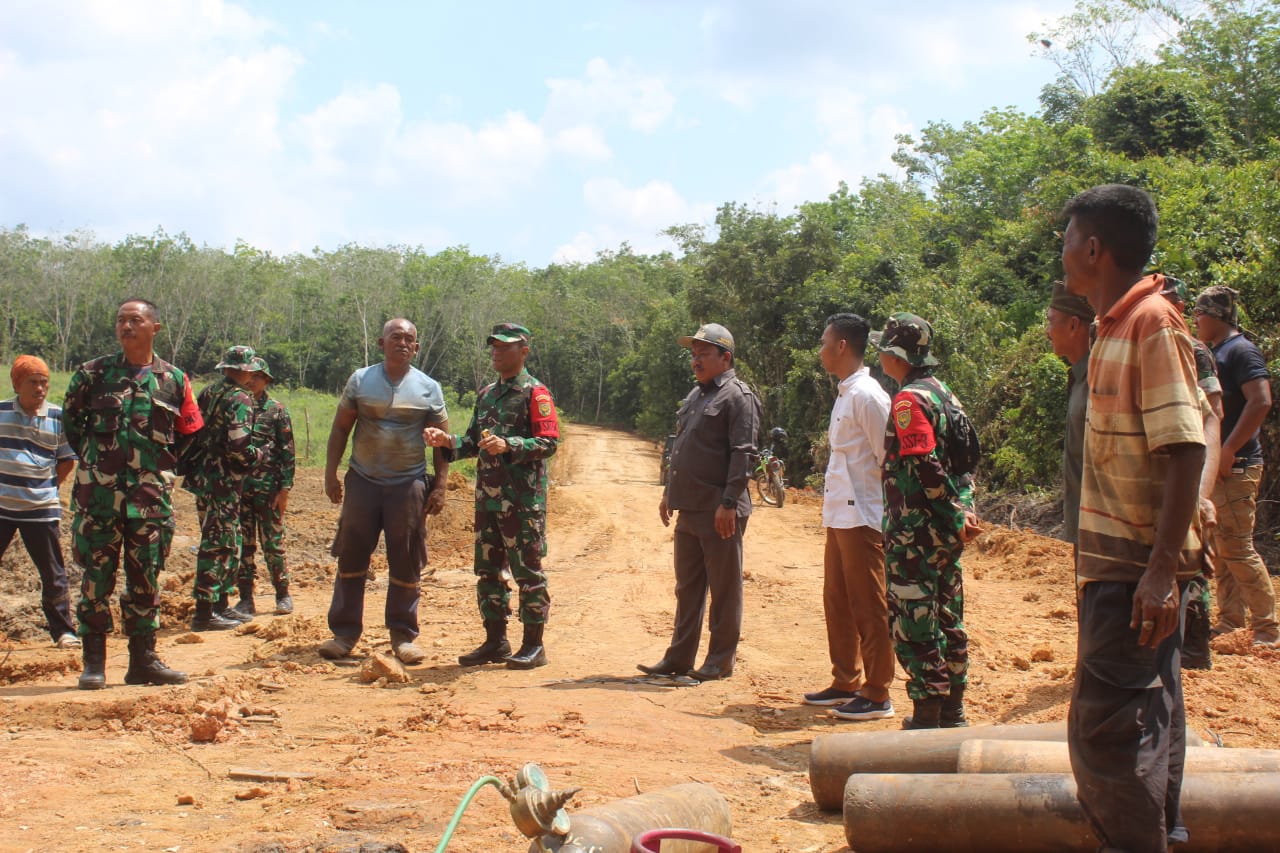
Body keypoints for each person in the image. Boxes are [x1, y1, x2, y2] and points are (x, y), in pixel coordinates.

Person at [1062, 184, 1207, 852]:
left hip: (1131, 574)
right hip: (1122, 570)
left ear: (1094, 248)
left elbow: (1184, 446)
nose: (1062, 253)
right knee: (1148, 723)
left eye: (1068, 240)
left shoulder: (1151, 322)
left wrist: (1156, 575)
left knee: (1111, 737)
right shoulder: (1113, 324)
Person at [64, 298, 203, 689]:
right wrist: (98, 468)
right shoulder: (91, 375)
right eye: (121, 320)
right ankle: (94, 664)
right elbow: (73, 427)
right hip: (99, 501)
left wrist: (162, 471)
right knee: (96, 580)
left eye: (135, 320)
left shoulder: (174, 380)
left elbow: (190, 434)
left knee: (146, 581)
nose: (126, 326)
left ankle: (143, 661)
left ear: (154, 328)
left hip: (150, 502)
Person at [424, 323, 560, 670]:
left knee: (528, 572)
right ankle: (495, 641)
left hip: (522, 503)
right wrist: (446, 442)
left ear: (524, 350)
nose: (497, 353)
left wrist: (510, 444)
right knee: (487, 573)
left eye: (505, 347)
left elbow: (548, 443)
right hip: (488, 500)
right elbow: (471, 442)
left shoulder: (535, 394)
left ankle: (533, 645)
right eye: (494, 347)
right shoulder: (486, 394)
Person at [320, 318, 450, 664]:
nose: (403, 342)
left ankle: (403, 636)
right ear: (382, 342)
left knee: (406, 558)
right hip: (363, 480)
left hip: (407, 485)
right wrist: (331, 473)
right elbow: (340, 428)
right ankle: (344, 633)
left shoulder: (428, 388)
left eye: (409, 339)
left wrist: (440, 485)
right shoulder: (361, 380)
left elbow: (442, 443)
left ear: (417, 348)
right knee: (352, 554)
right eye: (396, 337)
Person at [638, 323, 761, 683]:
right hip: (690, 509)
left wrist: (729, 501)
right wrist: (668, 494)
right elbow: (680, 449)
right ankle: (678, 658)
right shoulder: (696, 396)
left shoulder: (738, 397)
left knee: (724, 589)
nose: (696, 360)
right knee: (687, 588)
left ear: (725, 357)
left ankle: (719, 661)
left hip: (719, 510)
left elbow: (744, 453)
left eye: (703, 353)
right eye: (693, 354)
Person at [874, 313, 977, 729]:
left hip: (916, 532)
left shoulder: (908, 401)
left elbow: (925, 465)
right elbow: (966, 462)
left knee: (915, 621)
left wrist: (951, 513)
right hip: (945, 532)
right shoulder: (945, 395)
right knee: (949, 616)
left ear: (893, 354)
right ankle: (953, 711)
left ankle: (927, 717)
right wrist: (965, 510)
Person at [803, 314, 895, 721]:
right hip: (839, 514)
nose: (820, 349)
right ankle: (846, 679)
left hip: (862, 517)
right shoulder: (845, 393)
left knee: (868, 603)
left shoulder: (869, 396)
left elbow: (887, 460)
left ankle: (878, 691)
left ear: (842, 346)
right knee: (837, 600)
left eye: (825, 342)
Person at [1193, 284, 1278, 648]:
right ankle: (1230, 620)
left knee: (1239, 547)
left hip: (1239, 464)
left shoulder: (1241, 351)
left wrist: (1227, 450)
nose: (1195, 321)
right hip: (1225, 463)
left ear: (1215, 317)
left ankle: (1267, 628)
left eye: (1199, 314)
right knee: (1223, 547)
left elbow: (1260, 402)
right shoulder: (1219, 352)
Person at [1161, 277, 1223, 670]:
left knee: (1193, 559)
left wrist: (1202, 491)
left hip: (1192, 464)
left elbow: (1212, 414)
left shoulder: (1194, 350)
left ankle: (1196, 650)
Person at [1, 356, 79, 647]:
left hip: (41, 509)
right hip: (2, 507)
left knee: (53, 572)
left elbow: (66, 461)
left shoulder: (58, 417)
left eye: (44, 382)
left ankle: (63, 631)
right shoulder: (1, 413)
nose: (40, 388)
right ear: (16, 383)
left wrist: (44, 489)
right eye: (33, 382)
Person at [185, 346, 265, 631]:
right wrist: (259, 455)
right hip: (224, 480)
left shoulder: (208, 392)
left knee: (220, 538)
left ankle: (220, 605)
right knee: (219, 543)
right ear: (245, 370)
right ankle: (205, 612)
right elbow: (239, 446)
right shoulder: (240, 398)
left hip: (205, 475)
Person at [231, 357, 296, 617]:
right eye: (248, 376)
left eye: (257, 376)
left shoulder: (276, 410)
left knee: (273, 544)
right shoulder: (235, 406)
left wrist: (285, 490)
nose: (251, 380)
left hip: (268, 491)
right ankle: (246, 598)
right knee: (243, 546)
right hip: (240, 490)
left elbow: (287, 453)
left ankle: (282, 594)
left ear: (266, 380)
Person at [1044, 281, 1094, 545]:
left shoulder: (1098, 381)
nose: (1047, 332)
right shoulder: (1079, 379)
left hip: (1102, 541)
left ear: (1074, 325)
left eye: (1052, 322)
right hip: (1086, 536)